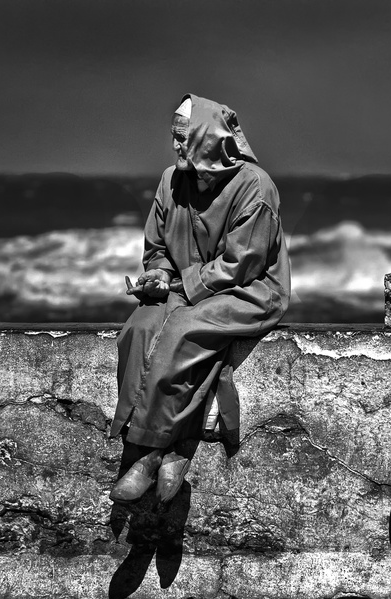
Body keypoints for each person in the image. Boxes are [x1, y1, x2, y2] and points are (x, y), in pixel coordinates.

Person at [109, 93, 291, 503]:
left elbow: (241, 264)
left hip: (248, 291)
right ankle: (164, 448)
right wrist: (157, 276)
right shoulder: (170, 180)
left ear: (207, 138)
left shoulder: (255, 187)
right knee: (139, 328)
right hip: (187, 288)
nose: (174, 146)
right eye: (173, 137)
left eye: (182, 137)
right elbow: (157, 249)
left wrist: (178, 286)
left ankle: (151, 453)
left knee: (182, 332)